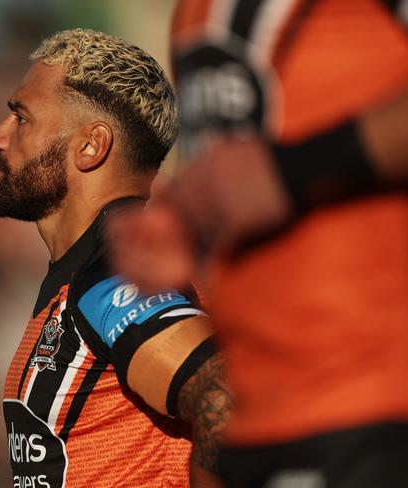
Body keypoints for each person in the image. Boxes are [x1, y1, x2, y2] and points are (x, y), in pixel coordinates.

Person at [109, 1, 408, 487]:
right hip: (255, 426)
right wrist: (188, 220)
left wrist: (291, 173)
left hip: (371, 409)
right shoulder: (194, 12)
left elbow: (269, 173)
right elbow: (247, 171)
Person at [0, 28, 230, 487]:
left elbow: (224, 394)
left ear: (91, 146)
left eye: (22, 119)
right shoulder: (87, 270)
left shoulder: (115, 270)